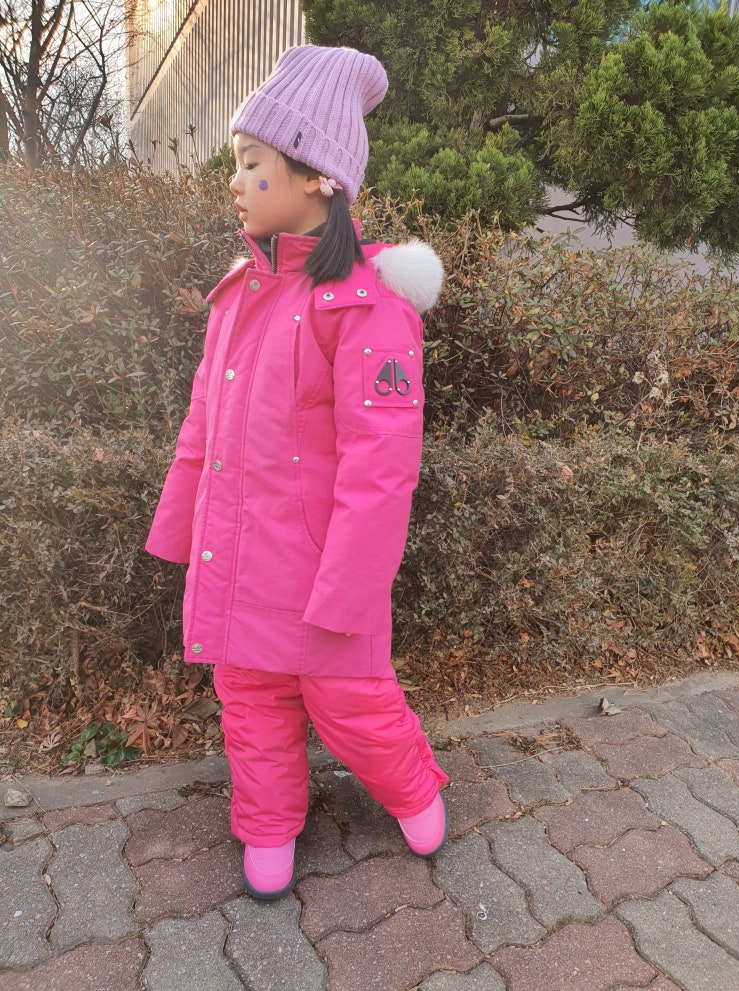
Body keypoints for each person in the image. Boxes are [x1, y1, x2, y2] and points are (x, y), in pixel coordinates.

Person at [146, 44, 448, 900]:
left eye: (253, 163)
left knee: (353, 704)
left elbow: (381, 467)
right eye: (237, 163)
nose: (235, 181)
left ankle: (413, 789)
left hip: (319, 575)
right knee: (251, 705)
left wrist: (351, 586)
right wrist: (183, 530)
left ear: (316, 177)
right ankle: (268, 823)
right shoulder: (239, 295)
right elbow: (202, 425)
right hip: (240, 560)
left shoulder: (366, 305)